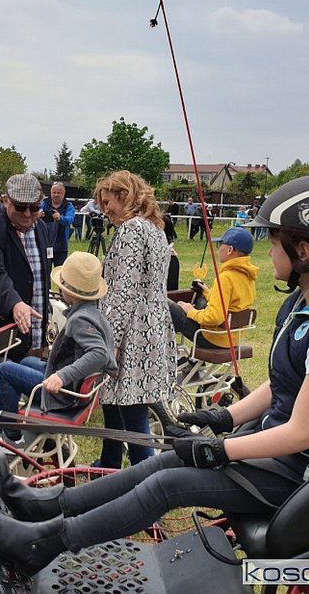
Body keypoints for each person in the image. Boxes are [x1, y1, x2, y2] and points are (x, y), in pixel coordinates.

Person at [0, 175, 309, 578]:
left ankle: (42, 544)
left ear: (305, 251)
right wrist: (226, 418)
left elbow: (300, 432)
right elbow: (285, 384)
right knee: (162, 462)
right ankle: (46, 506)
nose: (268, 251)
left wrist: (219, 449)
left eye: (274, 243)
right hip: (286, 458)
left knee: (167, 484)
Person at [92, 170, 176, 468]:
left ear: (124, 195)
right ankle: (110, 462)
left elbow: (122, 291)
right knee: (114, 399)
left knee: (133, 411)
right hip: (152, 325)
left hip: (133, 332)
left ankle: (146, 476)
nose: (105, 210)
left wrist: (111, 341)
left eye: (108, 202)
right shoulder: (155, 228)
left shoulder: (131, 230)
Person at [0, 252, 118, 445]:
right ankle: (15, 416)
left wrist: (61, 376)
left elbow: (99, 354)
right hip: (73, 386)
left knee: (4, 371)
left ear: (68, 291)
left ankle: (9, 436)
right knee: (26, 361)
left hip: (64, 394)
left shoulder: (80, 319)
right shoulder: (94, 313)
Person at [0, 173, 51, 361]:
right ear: (6, 200)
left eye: (35, 207)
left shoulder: (42, 227)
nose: (28, 214)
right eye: (20, 207)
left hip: (37, 328)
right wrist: (15, 303)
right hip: (6, 330)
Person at [168, 226, 258, 350]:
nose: (218, 249)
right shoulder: (248, 276)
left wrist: (190, 311)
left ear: (230, 250)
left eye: (220, 245)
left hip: (213, 338)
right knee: (200, 300)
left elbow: (214, 317)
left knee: (167, 304)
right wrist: (207, 292)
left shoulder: (226, 277)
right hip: (233, 338)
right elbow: (231, 304)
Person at [39, 182, 75, 268]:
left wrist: (60, 218)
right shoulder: (44, 203)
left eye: (59, 193)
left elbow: (70, 219)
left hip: (61, 246)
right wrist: (38, 214)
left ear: (64, 193)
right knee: (45, 270)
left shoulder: (68, 206)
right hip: (46, 244)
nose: (56, 195)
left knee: (60, 271)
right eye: (54, 192)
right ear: (51, 192)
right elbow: (36, 211)